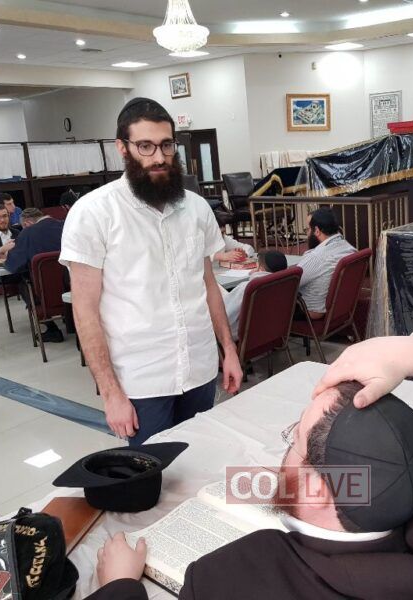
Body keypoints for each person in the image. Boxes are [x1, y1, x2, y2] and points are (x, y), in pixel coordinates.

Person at [86, 323, 413, 600]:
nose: (284, 452)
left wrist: (119, 587)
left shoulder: (231, 577)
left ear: (315, 489)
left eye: (293, 440)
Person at [59, 97, 242, 446]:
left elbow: (208, 285)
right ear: (122, 148)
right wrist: (110, 393)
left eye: (166, 145)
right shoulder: (93, 213)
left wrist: (228, 350)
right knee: (155, 471)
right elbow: (84, 311)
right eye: (145, 146)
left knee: (199, 458)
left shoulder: (196, 208)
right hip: (142, 380)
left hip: (200, 366)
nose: (159, 157)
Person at [4, 207, 67, 343]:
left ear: (27, 224)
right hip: (72, 286)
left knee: (24, 283)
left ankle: (52, 329)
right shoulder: (66, 225)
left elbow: (14, 266)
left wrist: (9, 253)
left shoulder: (28, 233)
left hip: (45, 292)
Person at [296, 207, 355, 319]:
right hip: (341, 309)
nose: (307, 234)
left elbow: (291, 283)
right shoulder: (350, 248)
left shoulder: (317, 257)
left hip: (311, 311)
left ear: (317, 231)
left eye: (308, 230)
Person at [224, 250, 288, 340]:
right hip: (272, 331)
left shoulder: (248, 288)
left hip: (243, 334)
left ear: (260, 268)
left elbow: (226, 316)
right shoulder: (286, 282)